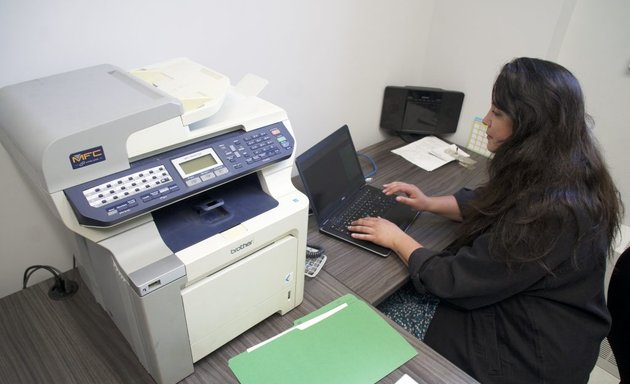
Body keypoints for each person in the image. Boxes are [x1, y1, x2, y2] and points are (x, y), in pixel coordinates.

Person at [348, 57, 623, 383]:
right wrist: (430, 202)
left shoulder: (553, 212)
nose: (487, 121)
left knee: (380, 314)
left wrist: (397, 238)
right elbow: (494, 198)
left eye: (499, 113)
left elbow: (455, 280)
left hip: (529, 352)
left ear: (530, 126)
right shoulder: (565, 165)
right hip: (538, 312)